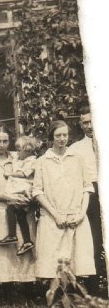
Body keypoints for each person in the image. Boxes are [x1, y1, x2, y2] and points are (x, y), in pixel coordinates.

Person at [33, 120, 95, 280]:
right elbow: (38, 191)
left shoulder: (77, 158)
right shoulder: (42, 161)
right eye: (58, 135)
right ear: (51, 137)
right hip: (54, 218)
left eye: (65, 135)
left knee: (77, 260)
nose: (62, 138)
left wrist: (81, 214)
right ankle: (58, 299)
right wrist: (56, 215)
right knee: (54, 262)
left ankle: (76, 298)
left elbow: (87, 187)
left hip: (76, 216)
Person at [0, 124, 36, 285]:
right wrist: (9, 197)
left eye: (5, 141)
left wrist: (25, 197)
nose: (1, 145)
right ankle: (3, 287)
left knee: (22, 245)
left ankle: (25, 285)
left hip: (20, 207)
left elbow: (30, 176)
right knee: (2, 251)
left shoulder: (18, 157)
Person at [69, 107, 106, 297]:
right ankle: (96, 287)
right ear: (80, 124)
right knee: (94, 239)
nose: (89, 126)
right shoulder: (75, 149)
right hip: (91, 194)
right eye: (85, 122)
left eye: (92, 121)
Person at [0, 135, 40, 255]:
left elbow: (23, 174)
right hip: (21, 192)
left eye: (19, 150)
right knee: (20, 216)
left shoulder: (31, 161)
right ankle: (27, 241)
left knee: (10, 208)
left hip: (25, 193)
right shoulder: (20, 159)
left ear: (27, 150)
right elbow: (11, 155)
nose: (17, 152)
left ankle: (12, 235)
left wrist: (10, 174)